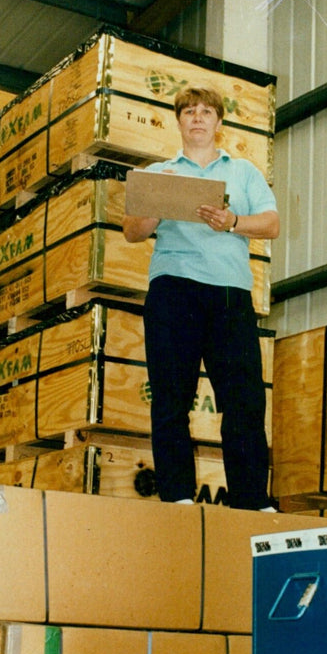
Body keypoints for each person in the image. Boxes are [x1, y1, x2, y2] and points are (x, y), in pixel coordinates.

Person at [123, 85, 280, 511]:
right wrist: (159, 202)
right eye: (188, 111)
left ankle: (250, 499)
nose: (197, 118)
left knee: (245, 399)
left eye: (206, 112)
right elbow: (132, 231)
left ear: (218, 123)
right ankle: (176, 495)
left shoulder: (244, 172)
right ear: (178, 121)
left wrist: (232, 221)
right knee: (171, 396)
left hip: (229, 293)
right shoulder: (161, 171)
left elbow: (271, 224)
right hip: (173, 290)